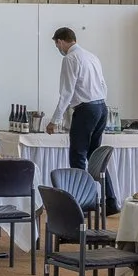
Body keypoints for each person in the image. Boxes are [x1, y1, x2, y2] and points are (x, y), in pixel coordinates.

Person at [44, 26, 109, 173]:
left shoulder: (70, 58)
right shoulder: (92, 57)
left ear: (60, 41)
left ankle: (80, 188)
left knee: (77, 155)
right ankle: (107, 189)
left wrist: (54, 121)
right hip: (101, 107)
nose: (58, 49)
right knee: (95, 156)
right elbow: (103, 85)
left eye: (57, 45)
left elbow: (67, 92)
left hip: (86, 110)